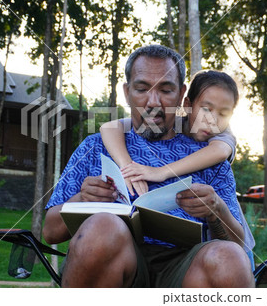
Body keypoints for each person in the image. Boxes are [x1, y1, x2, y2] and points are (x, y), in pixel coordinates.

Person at [42, 44, 255, 287]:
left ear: (181, 96)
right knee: (103, 226)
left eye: (165, 90)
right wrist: (83, 199)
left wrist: (216, 209)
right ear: (127, 92)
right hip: (115, 260)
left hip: (187, 269)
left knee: (229, 257)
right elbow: (51, 232)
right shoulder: (97, 146)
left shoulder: (210, 156)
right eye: (142, 89)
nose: (153, 102)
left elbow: (239, 246)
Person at [99, 70, 256, 268]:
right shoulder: (172, 124)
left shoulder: (222, 134)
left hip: (234, 245)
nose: (213, 120)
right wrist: (127, 166)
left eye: (224, 114)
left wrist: (160, 172)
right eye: (206, 109)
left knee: (242, 275)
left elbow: (220, 151)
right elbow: (110, 127)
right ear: (188, 105)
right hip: (191, 255)